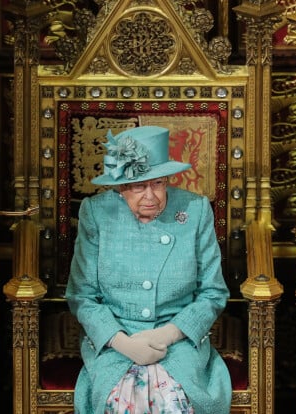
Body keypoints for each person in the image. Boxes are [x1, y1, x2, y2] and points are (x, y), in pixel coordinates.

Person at [65, 125, 232, 414]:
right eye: (139, 186)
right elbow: (82, 297)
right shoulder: (96, 212)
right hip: (116, 340)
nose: (151, 196)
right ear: (120, 187)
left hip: (177, 340)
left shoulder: (195, 210)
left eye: (158, 183)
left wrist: (166, 335)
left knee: (175, 398)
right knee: (119, 399)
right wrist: (122, 343)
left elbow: (213, 293)